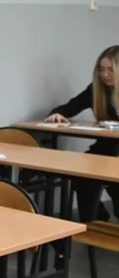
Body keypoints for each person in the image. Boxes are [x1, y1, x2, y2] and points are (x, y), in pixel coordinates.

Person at [45, 45, 119, 221]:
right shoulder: (97, 89)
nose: (105, 75)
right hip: (104, 150)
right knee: (81, 175)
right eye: (101, 69)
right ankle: (95, 221)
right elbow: (68, 107)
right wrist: (57, 114)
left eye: (111, 70)